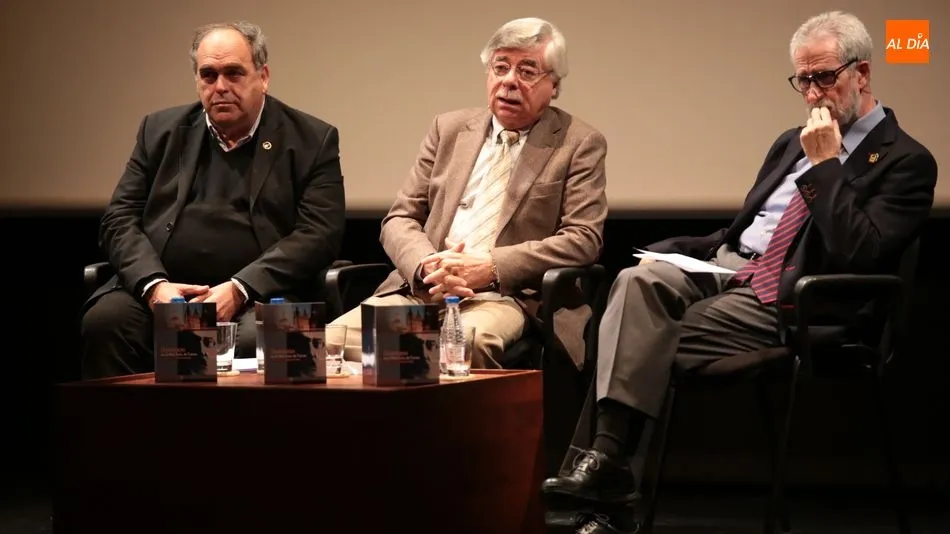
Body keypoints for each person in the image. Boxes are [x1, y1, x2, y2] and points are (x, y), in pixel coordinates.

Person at [541, 11, 938, 534]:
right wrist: (692, 255)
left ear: (861, 73)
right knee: (635, 282)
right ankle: (608, 474)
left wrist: (825, 168)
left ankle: (607, 492)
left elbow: (858, 252)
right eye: (804, 80)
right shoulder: (788, 141)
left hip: (800, 299)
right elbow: (746, 227)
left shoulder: (905, 161)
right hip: (726, 271)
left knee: (631, 336)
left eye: (826, 77)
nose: (814, 93)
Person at [329, 17, 608, 369]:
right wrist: (428, 267)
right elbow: (400, 218)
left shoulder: (578, 143)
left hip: (505, 298)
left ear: (553, 85)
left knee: (460, 348)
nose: (509, 81)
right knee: (323, 345)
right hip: (423, 292)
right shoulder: (448, 129)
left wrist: (491, 267)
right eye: (501, 67)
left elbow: (583, 238)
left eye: (527, 71)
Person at [80, 21, 345, 379]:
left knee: (256, 339)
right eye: (209, 75)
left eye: (234, 73)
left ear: (263, 76)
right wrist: (154, 286)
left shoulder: (312, 140)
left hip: (261, 296)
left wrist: (239, 289)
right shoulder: (159, 132)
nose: (220, 87)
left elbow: (320, 233)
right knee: (107, 323)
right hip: (166, 291)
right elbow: (119, 219)